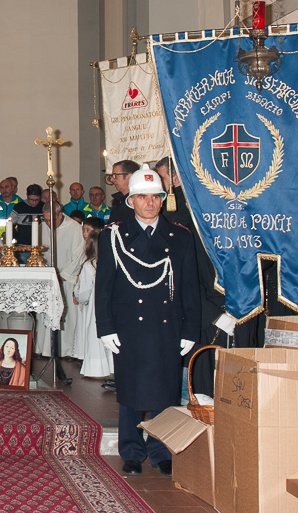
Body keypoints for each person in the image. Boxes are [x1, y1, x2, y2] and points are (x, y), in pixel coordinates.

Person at [95, 164, 200, 477]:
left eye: (155, 197)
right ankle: (131, 450)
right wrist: (105, 327)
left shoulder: (180, 236)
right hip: (128, 324)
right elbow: (104, 286)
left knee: (165, 390)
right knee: (129, 390)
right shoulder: (113, 235)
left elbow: (190, 287)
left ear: (163, 199)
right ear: (131, 201)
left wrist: (190, 329)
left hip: (167, 324)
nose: (150, 203)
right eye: (142, 197)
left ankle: (160, 450)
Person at [155, 156, 224, 397]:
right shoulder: (173, 213)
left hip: (205, 303)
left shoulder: (187, 216)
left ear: (175, 179)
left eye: (162, 177)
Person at [34, 202, 85, 359]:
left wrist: (63, 274)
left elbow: (79, 254)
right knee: (46, 313)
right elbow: (38, 253)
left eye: (51, 220)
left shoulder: (74, 228)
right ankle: (45, 349)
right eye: (46, 219)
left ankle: (67, 350)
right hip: (49, 278)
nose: (49, 223)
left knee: (68, 316)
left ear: (60, 215)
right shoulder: (41, 227)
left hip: (67, 279)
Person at [74, 217, 112, 379]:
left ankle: (96, 368)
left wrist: (78, 295)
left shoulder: (89, 266)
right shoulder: (110, 263)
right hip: (109, 306)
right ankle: (111, 366)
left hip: (94, 307)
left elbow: (83, 292)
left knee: (94, 336)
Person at [107, 160, 139, 224]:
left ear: (130, 177)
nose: (112, 179)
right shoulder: (118, 200)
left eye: (115, 175)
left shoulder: (138, 200)